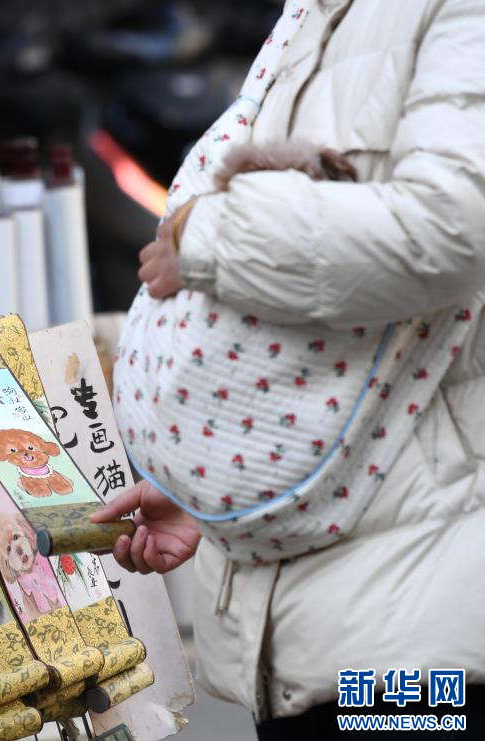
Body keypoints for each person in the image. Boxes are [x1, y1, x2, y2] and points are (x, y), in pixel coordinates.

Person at [93, 0, 485, 738]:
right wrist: (217, 487)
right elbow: (318, 315)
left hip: (417, 646)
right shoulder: (316, 15)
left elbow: (452, 229)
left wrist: (205, 234)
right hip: (313, 644)